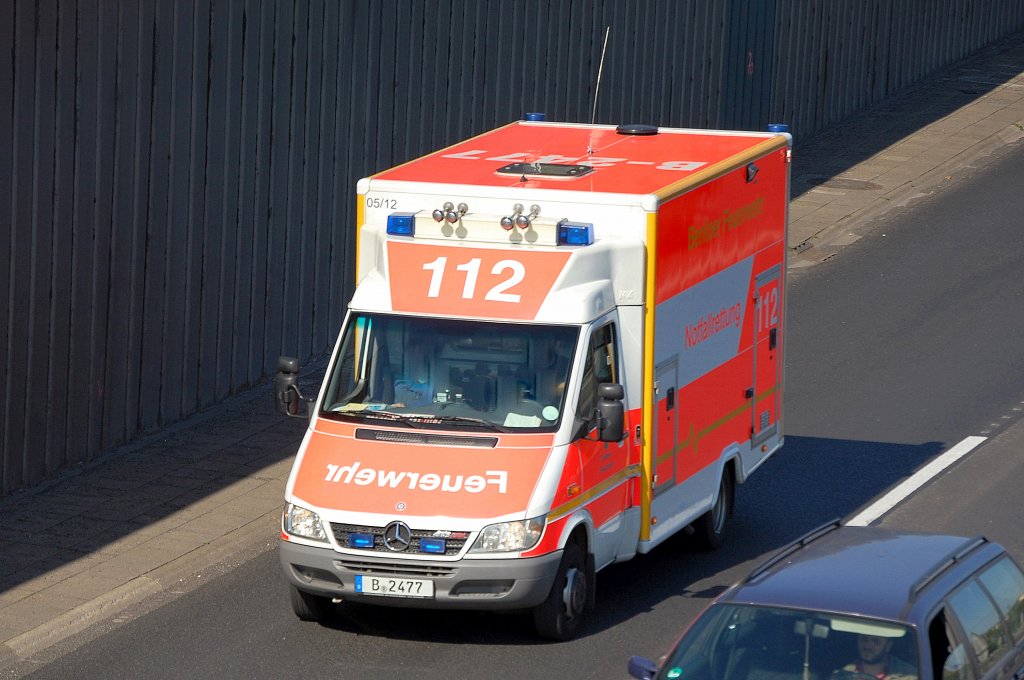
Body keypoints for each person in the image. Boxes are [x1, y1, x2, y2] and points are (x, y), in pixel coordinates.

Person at [834, 634, 918, 680]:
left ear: (888, 645)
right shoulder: (841, 675)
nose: (868, 646)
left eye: (876, 641)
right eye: (864, 639)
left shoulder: (909, 676)